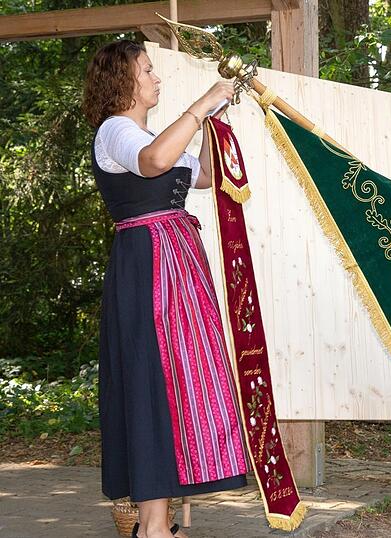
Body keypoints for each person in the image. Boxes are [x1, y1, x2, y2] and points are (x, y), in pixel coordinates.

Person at [83, 40, 248, 538]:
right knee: (151, 381)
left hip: (176, 260)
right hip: (148, 265)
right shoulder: (116, 132)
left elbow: (202, 176)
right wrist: (200, 106)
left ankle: (157, 523)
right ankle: (153, 526)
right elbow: (154, 162)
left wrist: (217, 123)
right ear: (123, 80)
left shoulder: (147, 133)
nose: (157, 78)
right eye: (148, 70)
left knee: (178, 382)